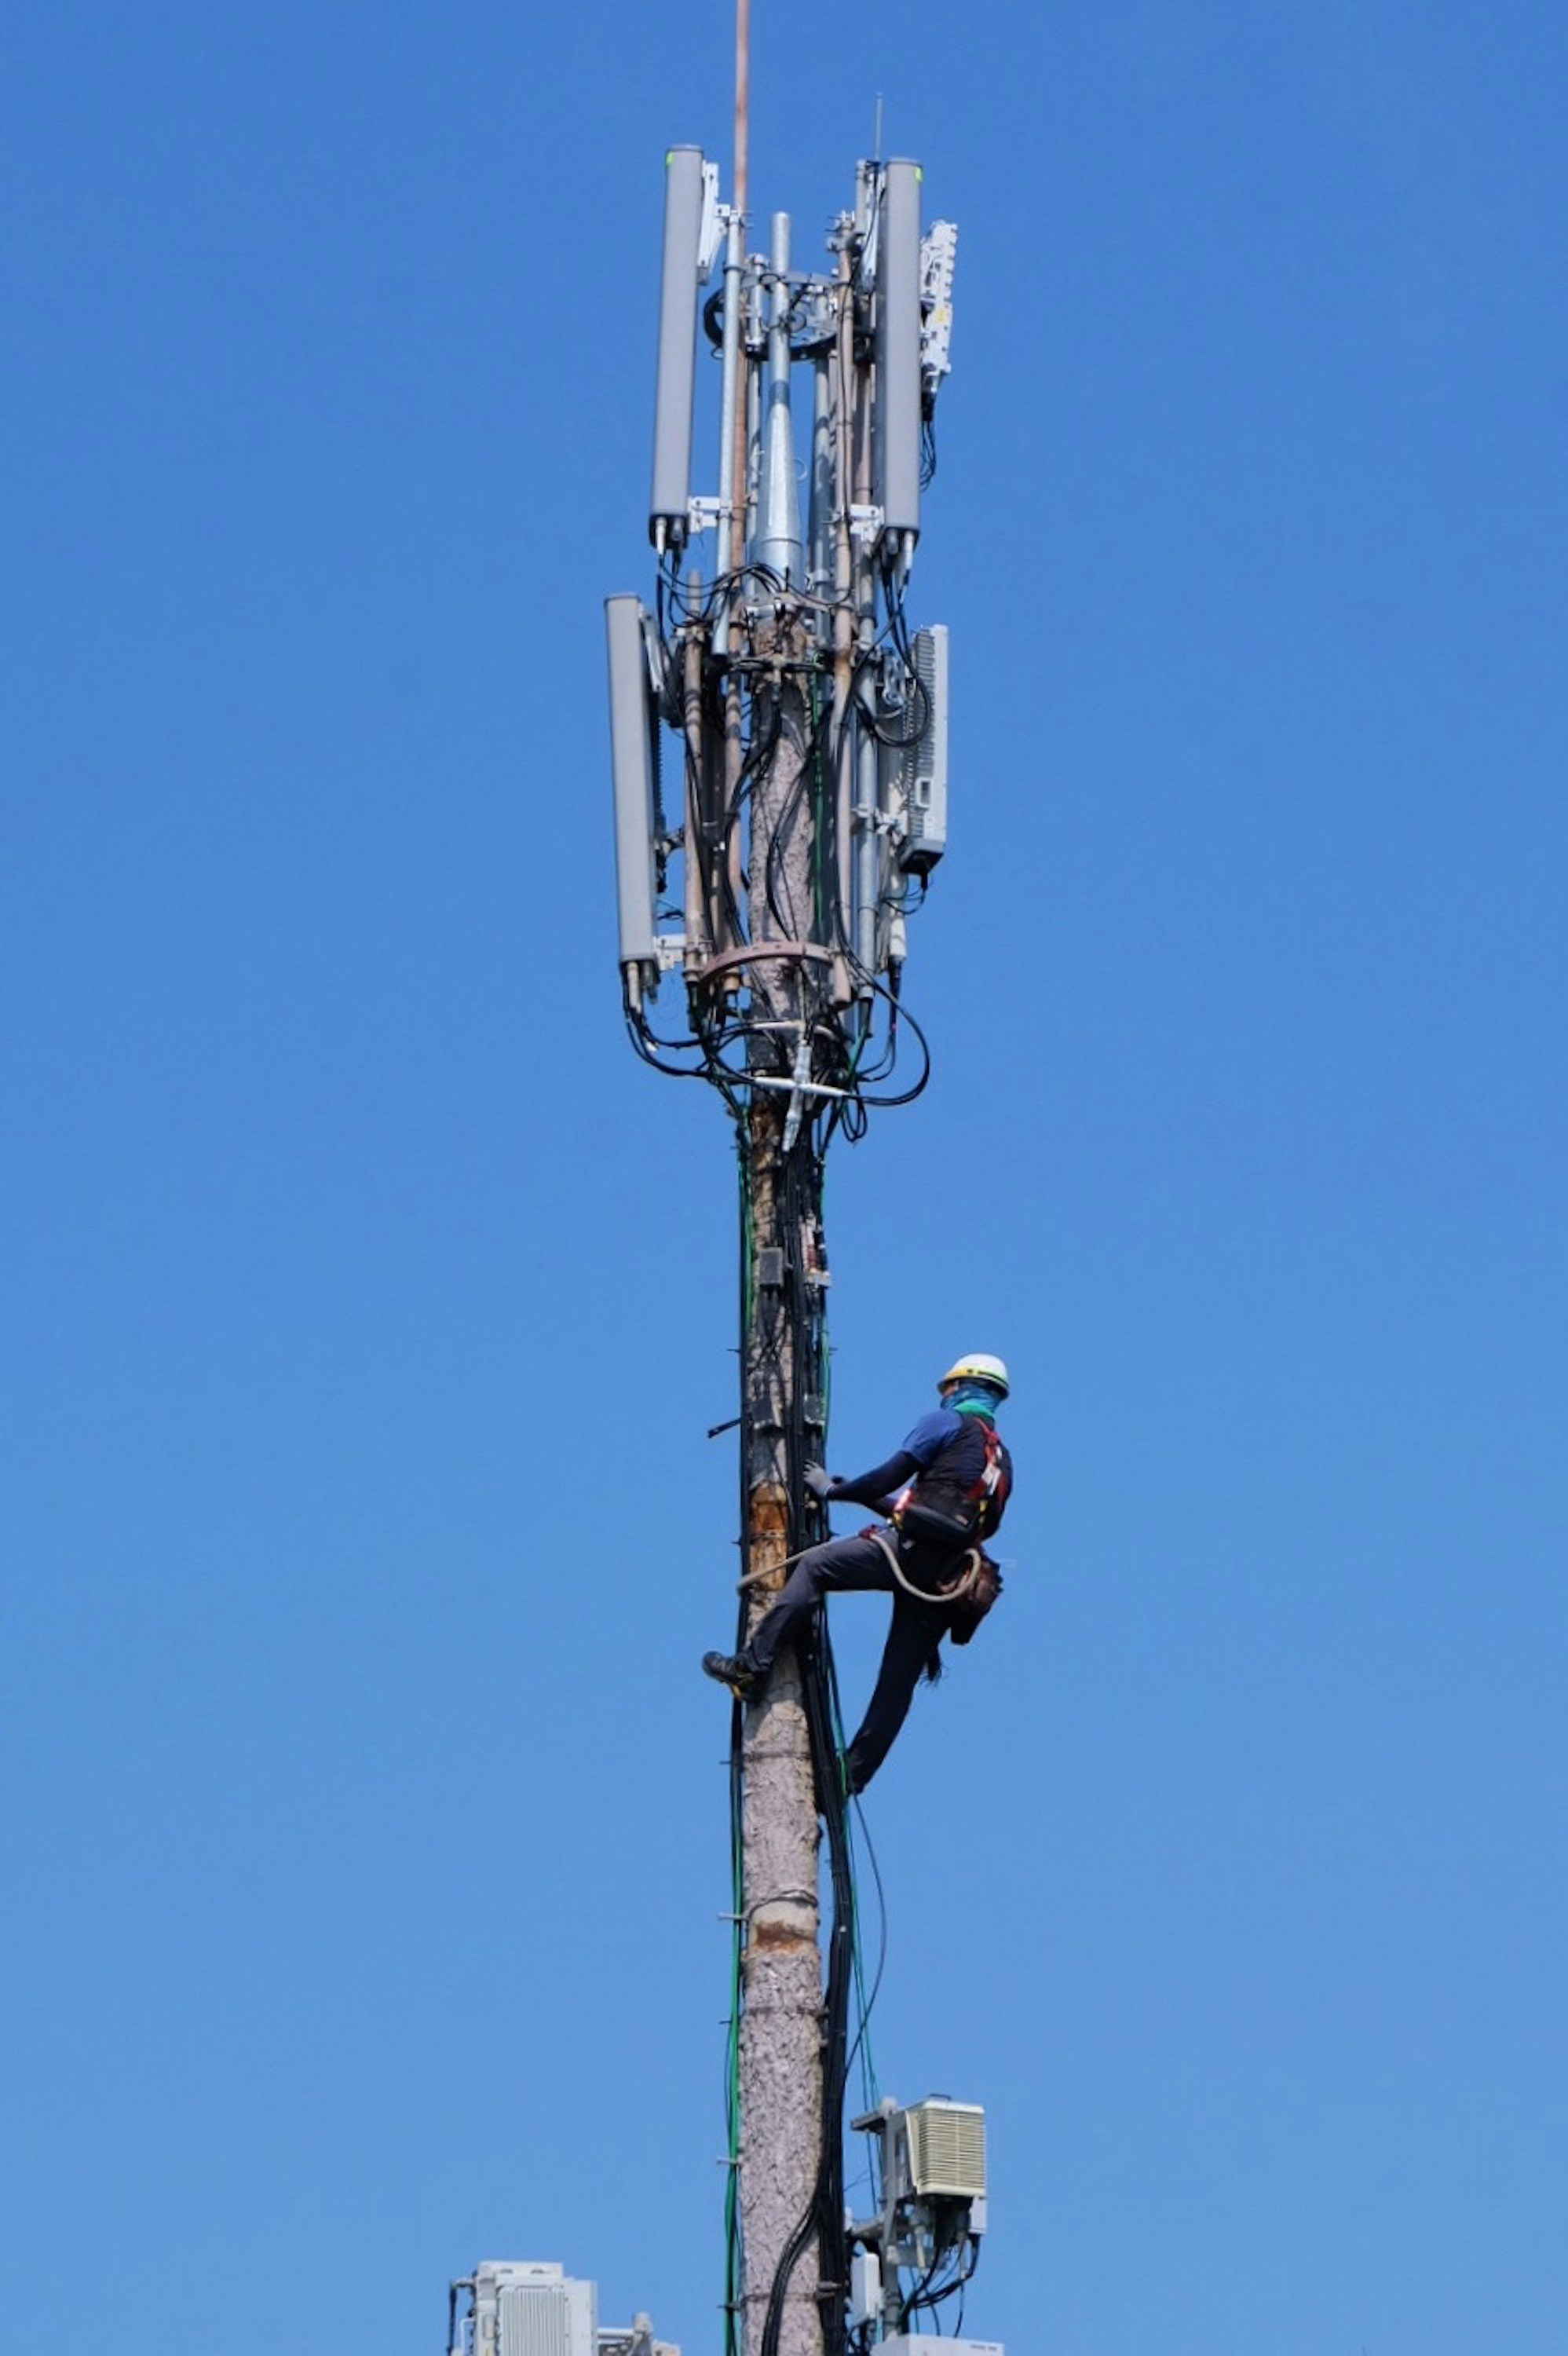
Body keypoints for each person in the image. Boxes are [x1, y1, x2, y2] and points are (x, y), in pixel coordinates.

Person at [702, 1353, 1014, 1793]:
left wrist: (835, 1491)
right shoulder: (1001, 1461)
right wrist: (864, 1499)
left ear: (960, 1388)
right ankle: (851, 1776)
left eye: (946, 1388)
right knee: (897, 1680)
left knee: (815, 1567)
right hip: (949, 1578)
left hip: (909, 1554)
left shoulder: (943, 1425)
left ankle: (752, 1667)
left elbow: (888, 1478)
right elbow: (950, 1518)